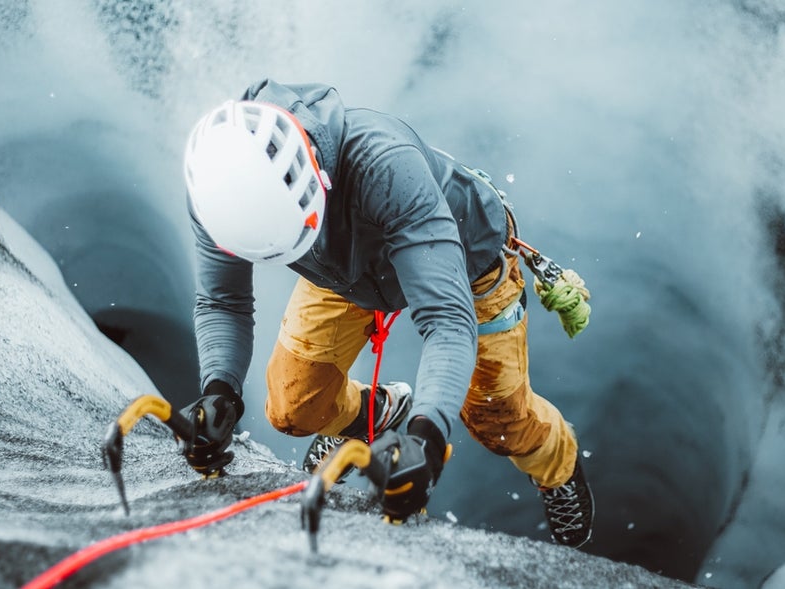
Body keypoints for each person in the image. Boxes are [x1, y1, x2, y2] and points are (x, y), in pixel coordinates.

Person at [178, 80, 594, 547]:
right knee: (293, 406)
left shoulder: (384, 165)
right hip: (344, 266)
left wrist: (428, 435)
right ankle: (373, 415)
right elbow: (222, 301)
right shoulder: (220, 188)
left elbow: (446, 319)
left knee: (498, 421)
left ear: (315, 183)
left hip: (467, 261)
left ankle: (559, 467)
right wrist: (220, 390)